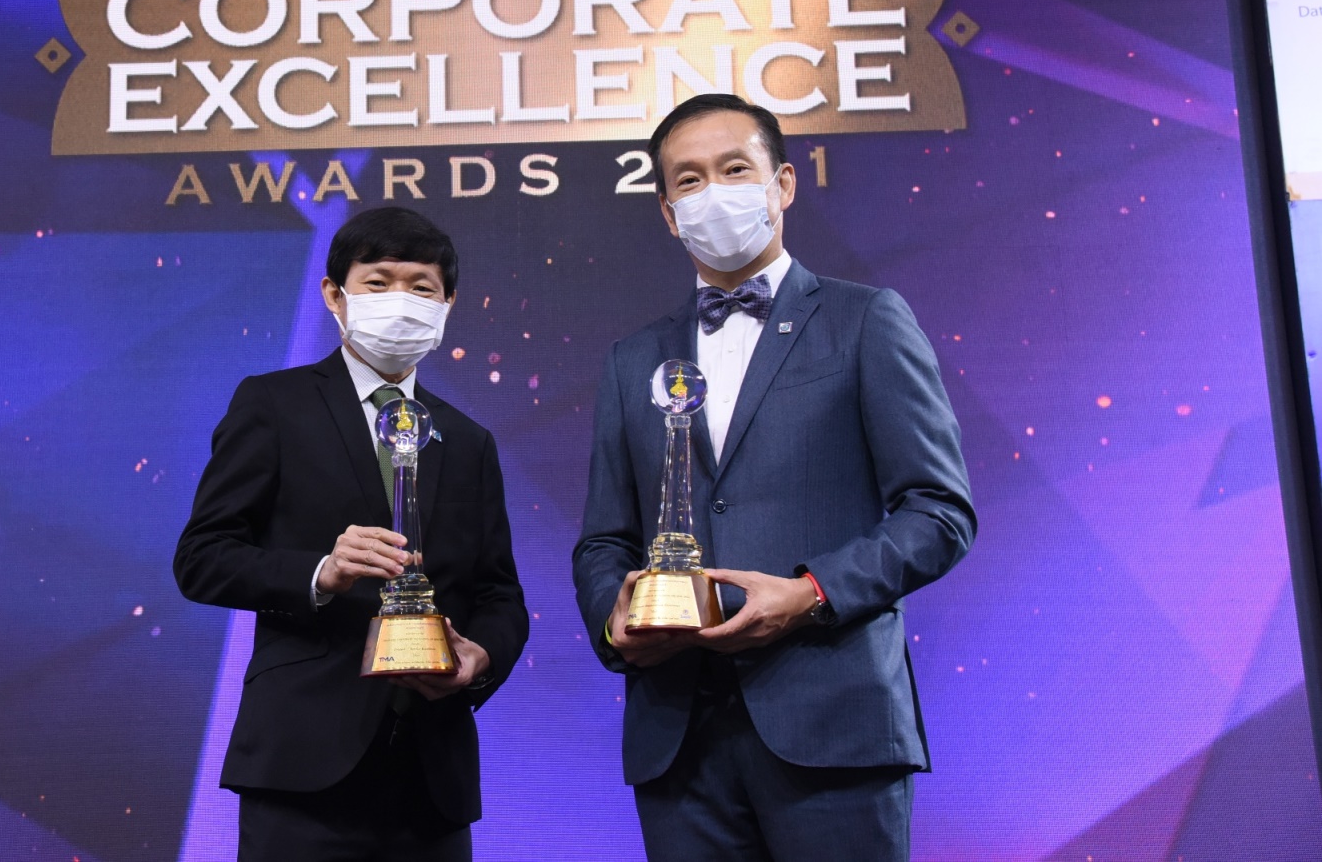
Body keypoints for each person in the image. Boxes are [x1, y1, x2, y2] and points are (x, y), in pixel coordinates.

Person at [572, 93, 977, 860]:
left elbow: (937, 511)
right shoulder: (633, 360)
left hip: (833, 725)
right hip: (677, 740)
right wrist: (613, 622)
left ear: (782, 183)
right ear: (667, 213)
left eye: (734, 169)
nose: (712, 193)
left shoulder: (865, 319)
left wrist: (809, 593)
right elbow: (603, 540)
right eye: (688, 180)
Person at [175, 206, 528, 862]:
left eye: (421, 286)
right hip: (300, 764)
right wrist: (320, 572)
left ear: (448, 303)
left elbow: (499, 594)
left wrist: (479, 659)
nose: (400, 300)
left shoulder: (469, 440)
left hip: (432, 780)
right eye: (378, 282)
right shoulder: (272, 404)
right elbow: (202, 557)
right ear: (334, 295)